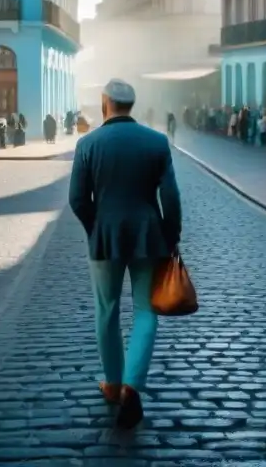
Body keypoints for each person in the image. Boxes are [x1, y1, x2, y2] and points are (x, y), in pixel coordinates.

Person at [69, 78, 182, 429]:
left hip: (105, 237)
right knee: (146, 312)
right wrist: (171, 234)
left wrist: (95, 226)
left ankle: (113, 383)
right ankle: (133, 387)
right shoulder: (156, 142)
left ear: (105, 103)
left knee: (107, 311)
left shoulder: (89, 143)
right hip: (149, 235)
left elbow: (77, 198)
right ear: (131, 105)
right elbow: (172, 197)